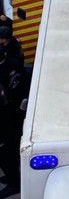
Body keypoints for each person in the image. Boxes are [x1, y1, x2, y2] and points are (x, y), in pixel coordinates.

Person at [0, 25, 27, 198]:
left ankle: (13, 183)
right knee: (11, 151)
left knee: (6, 155)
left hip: (7, 118)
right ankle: (13, 177)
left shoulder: (4, 72)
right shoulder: (14, 63)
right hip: (15, 114)